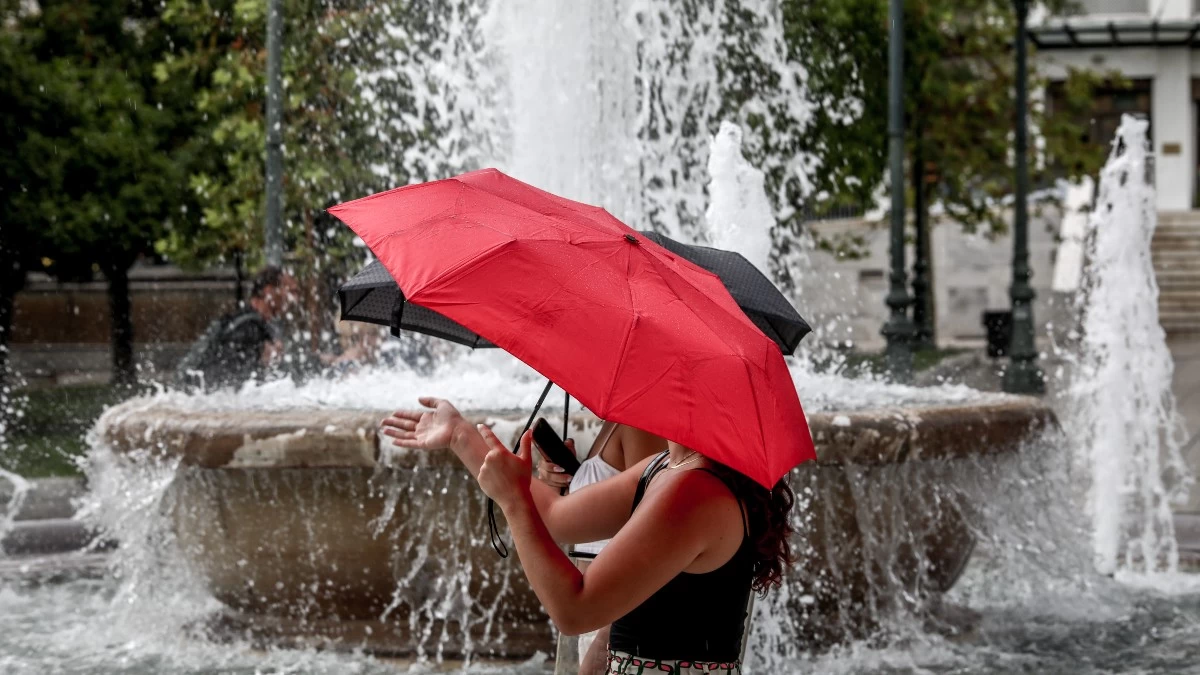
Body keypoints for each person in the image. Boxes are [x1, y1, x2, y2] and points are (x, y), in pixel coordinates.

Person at [381, 397, 797, 674]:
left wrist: (512, 503)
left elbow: (575, 610)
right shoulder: (665, 468)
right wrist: (460, 435)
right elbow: (556, 515)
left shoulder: (695, 491)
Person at [535, 422, 667, 674]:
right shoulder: (620, 422)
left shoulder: (643, 426)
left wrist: (605, 639)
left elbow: (652, 545)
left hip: (617, 628)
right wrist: (560, 484)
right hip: (602, 620)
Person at [175, 266, 297, 391]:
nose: (294, 299)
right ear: (269, 291)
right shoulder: (247, 329)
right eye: (290, 292)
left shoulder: (243, 322)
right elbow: (228, 383)